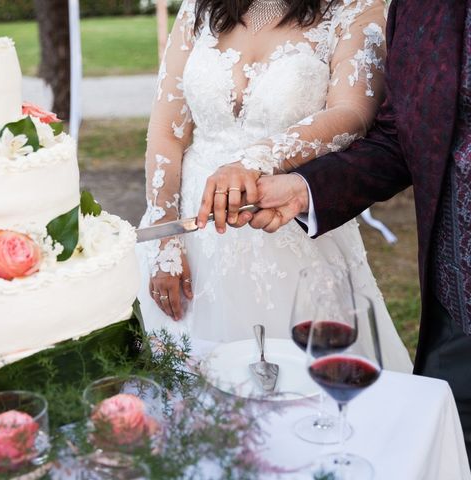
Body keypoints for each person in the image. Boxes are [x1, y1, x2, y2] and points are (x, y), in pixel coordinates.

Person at [197, 0, 471, 457]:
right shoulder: (420, 6)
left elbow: (352, 112)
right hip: (455, 308)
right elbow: (397, 139)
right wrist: (303, 190)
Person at [136, 0, 412, 372]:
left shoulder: (356, 8)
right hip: (191, 236)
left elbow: (352, 114)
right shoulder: (197, 7)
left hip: (291, 229)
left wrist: (256, 161)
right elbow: (166, 131)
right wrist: (163, 235)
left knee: (304, 390)